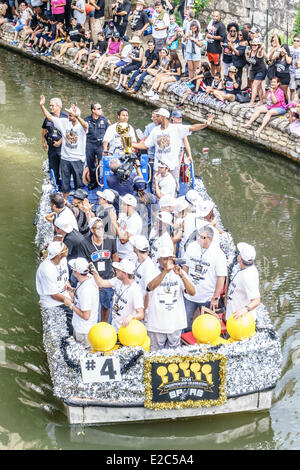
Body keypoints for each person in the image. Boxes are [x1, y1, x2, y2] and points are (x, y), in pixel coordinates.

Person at [133, 107, 213, 184]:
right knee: (156, 188)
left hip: (172, 166)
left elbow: (192, 127)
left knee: (173, 187)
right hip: (158, 167)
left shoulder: (176, 128)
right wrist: (131, 144)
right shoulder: (155, 130)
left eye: (158, 116)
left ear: (164, 117)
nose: (155, 118)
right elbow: (145, 145)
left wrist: (205, 124)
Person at [146, 244, 195, 351]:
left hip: (175, 324)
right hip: (157, 324)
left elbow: (192, 292)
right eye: (165, 259)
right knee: (156, 354)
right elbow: (150, 287)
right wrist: (165, 271)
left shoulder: (178, 272)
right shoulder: (152, 270)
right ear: (158, 260)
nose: (168, 261)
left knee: (174, 354)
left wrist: (182, 275)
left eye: (170, 258)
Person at [40, 96, 88, 199]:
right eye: (69, 114)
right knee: (65, 184)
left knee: (78, 183)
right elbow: (49, 117)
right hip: (65, 158)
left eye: (71, 114)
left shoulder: (81, 126)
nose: (69, 116)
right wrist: (42, 106)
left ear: (76, 116)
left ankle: (78, 202)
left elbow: (85, 126)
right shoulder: (64, 122)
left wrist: (78, 117)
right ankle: (65, 202)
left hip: (77, 159)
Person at [182, 224, 227, 331]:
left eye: (202, 237)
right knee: (185, 322)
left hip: (207, 297)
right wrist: (183, 285)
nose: (198, 238)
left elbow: (221, 278)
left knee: (206, 326)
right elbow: (185, 266)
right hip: (190, 295)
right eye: (198, 236)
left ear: (210, 239)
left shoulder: (218, 254)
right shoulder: (192, 247)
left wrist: (215, 298)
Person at [78, 217, 118, 322]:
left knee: (106, 306)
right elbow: (84, 264)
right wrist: (94, 280)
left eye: (102, 227)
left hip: (107, 279)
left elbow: (114, 256)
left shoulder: (110, 239)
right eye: (98, 228)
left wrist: (116, 274)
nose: (101, 230)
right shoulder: (84, 243)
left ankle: (104, 326)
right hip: (92, 281)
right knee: (91, 307)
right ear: (91, 230)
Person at [90, 258, 144, 331]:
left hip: (127, 332)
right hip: (115, 328)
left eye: (118, 270)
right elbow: (101, 283)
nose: (116, 271)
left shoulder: (135, 290)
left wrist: (131, 316)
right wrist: (95, 272)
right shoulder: (117, 280)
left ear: (125, 274)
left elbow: (141, 314)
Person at [36, 241, 73, 334]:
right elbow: (53, 295)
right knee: (65, 329)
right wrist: (69, 300)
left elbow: (65, 279)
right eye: (65, 249)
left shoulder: (63, 260)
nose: (67, 249)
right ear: (59, 254)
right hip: (52, 304)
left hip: (64, 295)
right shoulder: (46, 269)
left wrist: (71, 291)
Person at [63, 257, 99, 348]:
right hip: (85, 328)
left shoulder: (85, 291)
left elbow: (86, 316)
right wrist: (71, 289)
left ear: (76, 272)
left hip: (83, 331)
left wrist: (70, 305)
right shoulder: (90, 278)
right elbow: (81, 295)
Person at [226, 242, 261, 320]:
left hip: (241, 323)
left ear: (239, 258)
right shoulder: (245, 269)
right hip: (234, 317)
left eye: (239, 254)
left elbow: (256, 300)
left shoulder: (248, 276)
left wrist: (245, 309)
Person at [41, 96, 67, 186]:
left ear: (59, 106)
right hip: (51, 147)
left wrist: (60, 142)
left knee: (64, 168)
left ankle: (64, 185)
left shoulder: (66, 117)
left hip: (62, 147)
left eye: (53, 106)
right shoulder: (48, 117)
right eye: (50, 106)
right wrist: (43, 142)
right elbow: (44, 129)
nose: (51, 107)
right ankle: (54, 186)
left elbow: (70, 133)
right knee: (52, 167)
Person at [129, 235, 157, 315]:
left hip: (142, 307)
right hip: (134, 302)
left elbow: (148, 292)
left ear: (137, 249)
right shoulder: (135, 259)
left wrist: (143, 312)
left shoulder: (148, 266)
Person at [84, 102, 109, 190]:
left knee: (101, 164)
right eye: (98, 108)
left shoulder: (104, 120)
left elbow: (108, 134)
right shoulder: (86, 120)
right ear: (93, 110)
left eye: (100, 108)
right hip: (89, 144)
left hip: (100, 145)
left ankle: (101, 181)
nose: (100, 110)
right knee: (90, 164)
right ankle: (93, 182)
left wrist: (106, 148)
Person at [112, 193, 143, 262]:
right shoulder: (124, 215)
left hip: (128, 257)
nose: (121, 206)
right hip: (120, 254)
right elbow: (114, 229)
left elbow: (123, 240)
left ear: (130, 206)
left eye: (123, 204)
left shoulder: (135, 220)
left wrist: (114, 222)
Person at [245, 37, 267, 107]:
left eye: (255, 45)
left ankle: (251, 103)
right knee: (258, 87)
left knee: (254, 86)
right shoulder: (251, 51)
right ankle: (261, 102)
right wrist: (246, 54)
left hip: (261, 70)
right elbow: (249, 61)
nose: (254, 46)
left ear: (258, 46)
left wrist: (259, 43)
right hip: (255, 71)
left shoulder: (259, 52)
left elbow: (262, 47)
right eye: (253, 45)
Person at [205, 10, 226, 76]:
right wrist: (207, 35)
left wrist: (211, 36)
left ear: (219, 16)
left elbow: (222, 37)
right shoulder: (211, 23)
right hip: (210, 48)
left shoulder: (221, 25)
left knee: (217, 64)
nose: (215, 17)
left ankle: (218, 77)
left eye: (216, 16)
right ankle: (213, 77)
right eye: (214, 16)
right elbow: (206, 31)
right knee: (212, 63)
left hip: (216, 49)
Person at [289, 35, 300, 100]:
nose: (295, 42)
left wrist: (297, 64)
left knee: (297, 90)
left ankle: (296, 105)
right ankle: (290, 104)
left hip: (297, 73)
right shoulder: (289, 48)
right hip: (289, 71)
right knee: (291, 89)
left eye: (297, 41)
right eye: (294, 40)